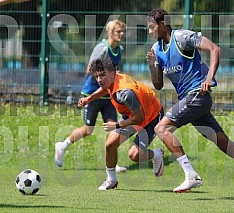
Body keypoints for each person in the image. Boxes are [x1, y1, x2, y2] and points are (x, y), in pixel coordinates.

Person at [145, 8, 234, 200]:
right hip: (191, 101)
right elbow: (158, 84)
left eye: (151, 27)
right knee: (224, 144)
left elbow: (215, 49)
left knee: (161, 129)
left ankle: (190, 175)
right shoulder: (157, 50)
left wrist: (209, 77)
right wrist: (152, 65)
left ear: (162, 24)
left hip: (197, 96)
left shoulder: (182, 37)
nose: (149, 32)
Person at [78, 57, 165, 190]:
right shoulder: (111, 81)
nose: (100, 80)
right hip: (133, 114)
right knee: (110, 144)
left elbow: (139, 118)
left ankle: (157, 154)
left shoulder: (125, 93)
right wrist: (89, 99)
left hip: (152, 116)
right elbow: (105, 88)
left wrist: (117, 125)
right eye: (97, 76)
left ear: (112, 73)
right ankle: (111, 180)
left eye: (102, 75)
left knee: (134, 155)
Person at [55, 20, 127, 173]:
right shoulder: (102, 48)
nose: (121, 34)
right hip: (92, 94)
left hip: (109, 96)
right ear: (110, 32)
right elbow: (90, 68)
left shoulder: (119, 49)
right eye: (118, 31)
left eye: (123, 31)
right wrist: (103, 78)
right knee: (88, 130)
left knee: (113, 128)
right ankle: (62, 146)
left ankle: (112, 164)